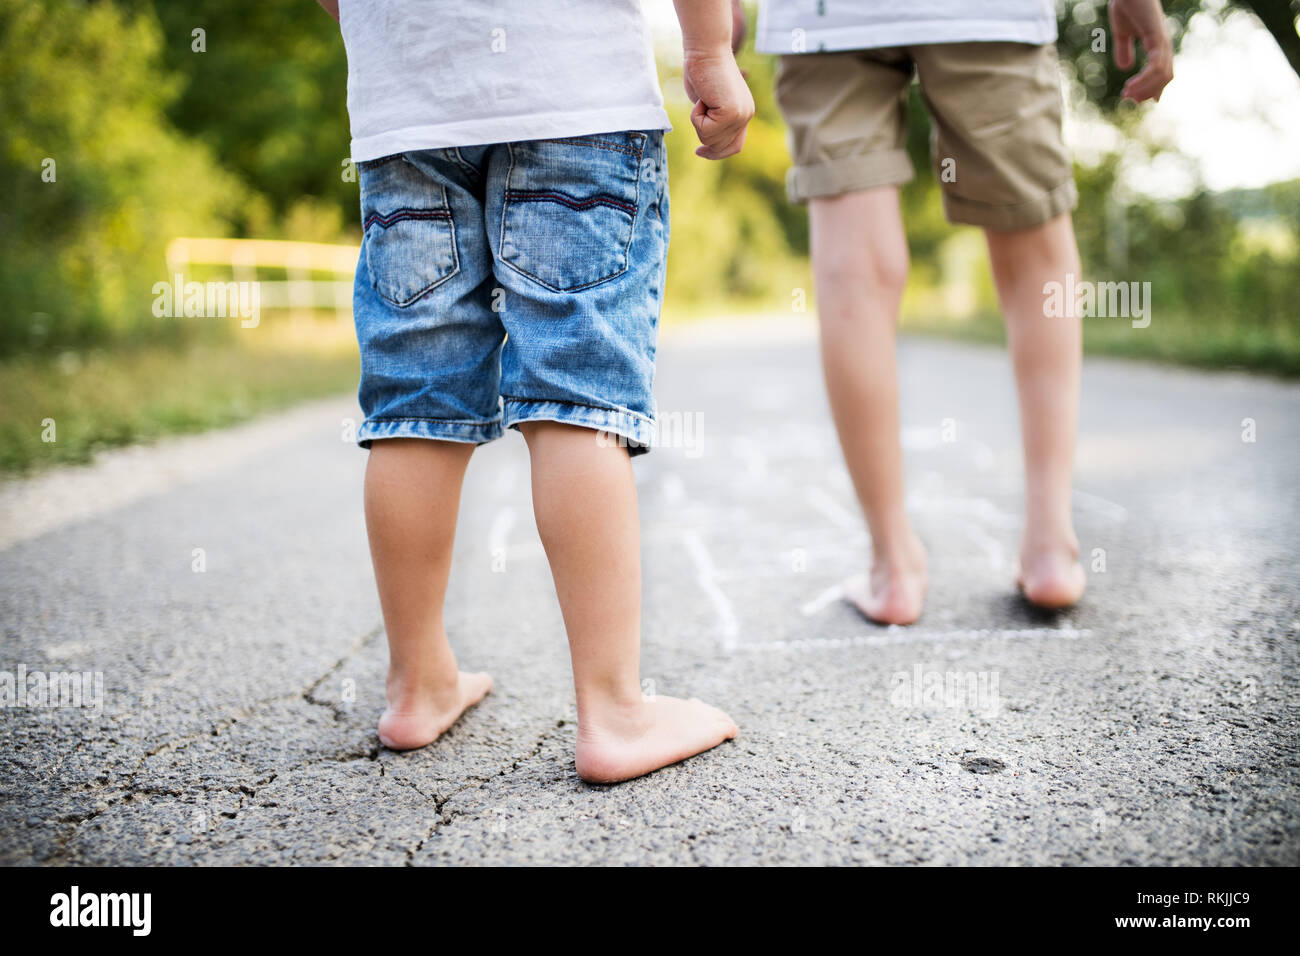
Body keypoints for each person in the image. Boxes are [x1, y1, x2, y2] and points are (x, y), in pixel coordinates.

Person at [316, 0, 755, 782]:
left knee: (415, 402)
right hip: (571, 90)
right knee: (577, 397)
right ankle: (616, 713)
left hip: (407, 113)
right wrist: (710, 50)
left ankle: (416, 684)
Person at [745, 0, 1173, 623]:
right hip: (985, 14)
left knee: (852, 273)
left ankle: (894, 567)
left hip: (826, 16)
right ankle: (1051, 546)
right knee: (1037, 258)